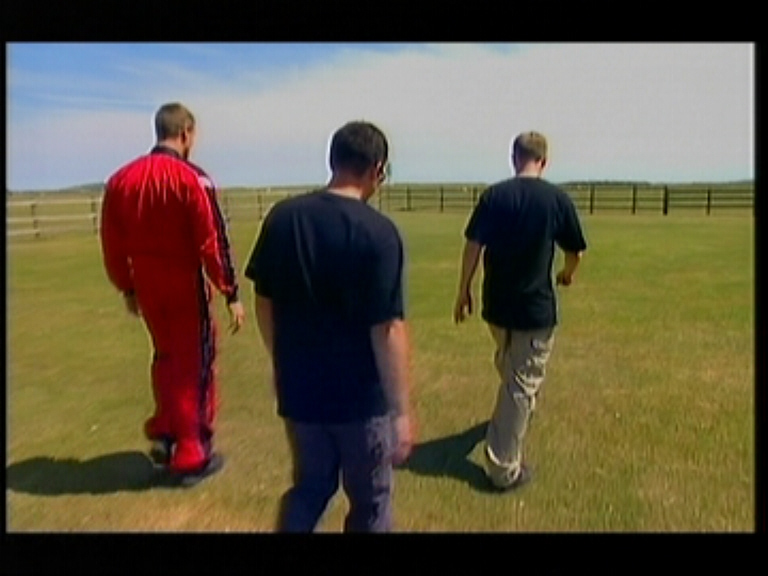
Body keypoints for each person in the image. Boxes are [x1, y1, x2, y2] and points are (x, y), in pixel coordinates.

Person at [244, 120, 414, 532]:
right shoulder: (380, 233)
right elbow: (387, 329)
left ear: (333, 161)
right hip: (360, 403)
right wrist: (401, 411)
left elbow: (264, 301)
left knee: (310, 489)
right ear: (377, 169)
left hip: (301, 393)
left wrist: (281, 360)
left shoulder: (283, 218)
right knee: (371, 501)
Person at [100, 102, 246, 487]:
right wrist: (230, 290)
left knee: (165, 357)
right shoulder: (192, 179)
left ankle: (165, 431)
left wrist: (127, 286)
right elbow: (212, 240)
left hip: (148, 286)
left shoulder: (120, 181)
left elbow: (112, 243)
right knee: (195, 364)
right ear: (185, 134)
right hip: (183, 283)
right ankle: (191, 450)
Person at [453, 131, 587, 491]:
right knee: (521, 382)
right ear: (544, 161)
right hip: (534, 309)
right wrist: (567, 273)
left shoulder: (494, 196)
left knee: (512, 367)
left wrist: (463, 289)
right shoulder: (556, 199)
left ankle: (511, 416)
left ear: (515, 158)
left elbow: (473, 245)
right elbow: (575, 251)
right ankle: (503, 470)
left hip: (497, 306)